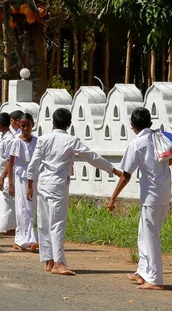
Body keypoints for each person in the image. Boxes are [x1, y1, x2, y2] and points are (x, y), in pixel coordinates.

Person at [27, 108, 121, 275]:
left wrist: (29, 185)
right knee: (57, 224)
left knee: (44, 223)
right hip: (58, 185)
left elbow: (34, 163)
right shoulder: (71, 140)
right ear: (69, 124)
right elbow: (91, 157)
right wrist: (112, 170)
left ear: (53, 123)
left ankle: (48, 260)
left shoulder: (43, 139)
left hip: (42, 184)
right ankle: (58, 263)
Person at [108, 107, 172, 290]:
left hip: (151, 196)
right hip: (163, 192)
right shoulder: (158, 137)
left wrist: (113, 198)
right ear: (149, 122)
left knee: (150, 236)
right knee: (143, 233)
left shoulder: (137, 144)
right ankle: (143, 271)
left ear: (132, 126)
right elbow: (170, 158)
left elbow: (126, 175)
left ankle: (155, 279)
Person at [8, 113, 39, 251]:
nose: (25, 128)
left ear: (32, 125)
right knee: (22, 207)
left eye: (27, 125)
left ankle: (31, 238)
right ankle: (22, 239)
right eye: (22, 126)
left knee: (32, 207)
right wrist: (10, 182)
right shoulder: (16, 141)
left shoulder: (37, 141)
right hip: (21, 177)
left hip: (34, 175)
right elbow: (10, 162)